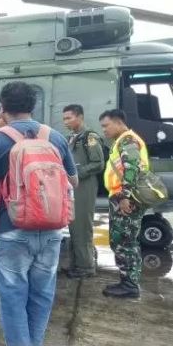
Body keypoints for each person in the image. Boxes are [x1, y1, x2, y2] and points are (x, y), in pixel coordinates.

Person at [0, 81, 77, 346]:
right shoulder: (55, 137)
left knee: (13, 297)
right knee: (42, 295)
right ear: (33, 105)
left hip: (10, 229)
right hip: (52, 229)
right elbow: (72, 181)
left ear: (3, 107)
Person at [99, 109, 148, 298]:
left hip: (126, 198)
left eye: (106, 125)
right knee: (127, 241)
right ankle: (129, 281)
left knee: (123, 242)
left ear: (118, 122)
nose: (104, 130)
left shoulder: (128, 140)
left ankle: (129, 286)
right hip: (123, 197)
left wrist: (125, 196)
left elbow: (131, 168)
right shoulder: (123, 140)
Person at [62, 104, 105, 279]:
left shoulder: (90, 137)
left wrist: (76, 173)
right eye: (64, 118)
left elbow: (98, 163)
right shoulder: (73, 137)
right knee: (73, 224)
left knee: (82, 226)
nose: (65, 122)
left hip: (85, 186)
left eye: (69, 118)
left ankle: (86, 267)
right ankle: (76, 263)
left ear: (80, 117)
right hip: (74, 186)